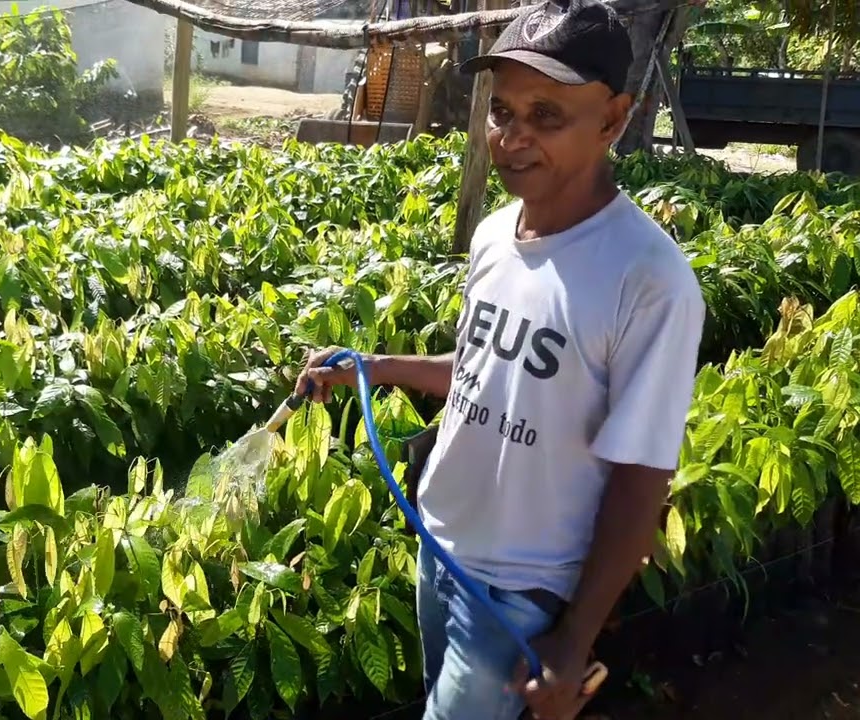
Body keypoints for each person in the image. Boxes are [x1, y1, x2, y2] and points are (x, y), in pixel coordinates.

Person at [295, 1, 707, 719]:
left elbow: (643, 482)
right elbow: (485, 369)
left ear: (613, 119)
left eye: (547, 116)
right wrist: (374, 365)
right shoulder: (494, 235)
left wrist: (575, 636)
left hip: (521, 591)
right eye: (503, 111)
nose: (513, 137)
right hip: (440, 548)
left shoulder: (650, 279)